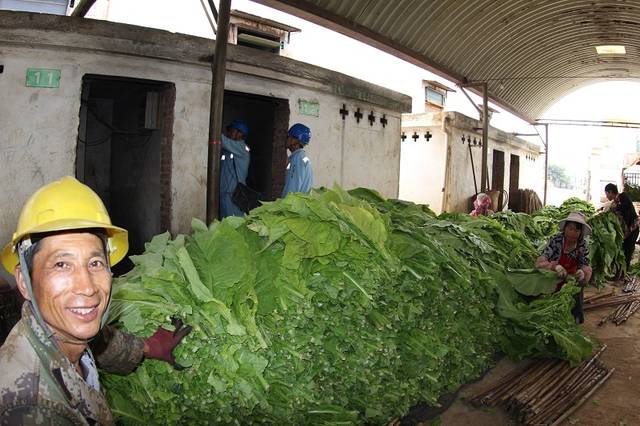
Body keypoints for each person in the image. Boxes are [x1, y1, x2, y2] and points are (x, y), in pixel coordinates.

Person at [0, 177, 190, 424]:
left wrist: (148, 347)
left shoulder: (59, 332)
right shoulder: (32, 408)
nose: (87, 287)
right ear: (24, 282)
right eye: (61, 264)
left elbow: (99, 342)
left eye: (95, 263)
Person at [535, 211, 593, 323]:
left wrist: (582, 273)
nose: (572, 233)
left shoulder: (582, 245)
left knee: (575, 301)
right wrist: (554, 266)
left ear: (581, 233)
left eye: (577, 230)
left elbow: (585, 264)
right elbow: (540, 261)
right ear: (565, 228)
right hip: (553, 279)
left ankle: (575, 319)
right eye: (570, 228)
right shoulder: (556, 240)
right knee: (551, 308)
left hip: (572, 281)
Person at [604, 183, 639, 277]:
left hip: (633, 230)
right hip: (625, 233)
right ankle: (619, 274)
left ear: (610, 192)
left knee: (627, 253)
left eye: (606, 193)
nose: (606, 196)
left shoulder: (623, 196)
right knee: (621, 252)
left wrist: (615, 208)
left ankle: (623, 275)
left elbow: (625, 211)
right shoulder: (614, 203)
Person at [220, 119, 251, 218]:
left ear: (239, 133)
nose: (228, 133)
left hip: (235, 194)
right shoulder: (229, 150)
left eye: (231, 130)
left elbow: (222, 140)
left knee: (234, 224)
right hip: (225, 193)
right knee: (225, 224)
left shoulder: (241, 147)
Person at [281, 123, 313, 198]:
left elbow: (292, 189)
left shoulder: (297, 159)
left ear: (295, 140)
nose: (286, 140)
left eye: (288, 137)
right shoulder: (300, 158)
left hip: (291, 207)